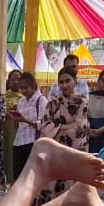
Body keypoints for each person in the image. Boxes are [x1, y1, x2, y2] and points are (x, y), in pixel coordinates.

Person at [40, 70, 91, 199]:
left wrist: (56, 128)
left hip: (74, 152)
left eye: (68, 81)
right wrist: (65, 127)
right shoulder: (53, 102)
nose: (64, 85)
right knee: (51, 189)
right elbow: (44, 127)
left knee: (71, 189)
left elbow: (79, 129)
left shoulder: (82, 102)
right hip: (54, 153)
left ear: (75, 82)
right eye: (61, 82)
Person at [10, 72, 48, 182]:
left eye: (26, 88)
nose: (23, 91)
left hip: (33, 141)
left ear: (33, 86)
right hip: (19, 142)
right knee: (18, 175)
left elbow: (43, 124)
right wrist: (15, 118)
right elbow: (18, 125)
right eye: (21, 88)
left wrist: (25, 120)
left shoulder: (41, 100)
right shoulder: (21, 101)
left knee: (32, 176)